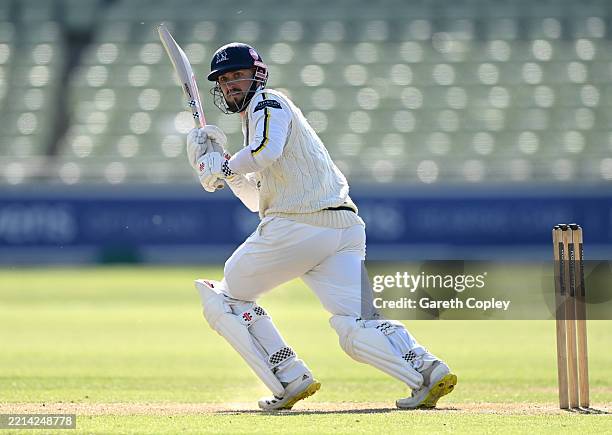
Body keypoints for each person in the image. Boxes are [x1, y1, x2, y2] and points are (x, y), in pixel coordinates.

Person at [186, 42, 456, 410]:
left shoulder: (268, 103)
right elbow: (256, 201)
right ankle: (426, 371)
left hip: (298, 226)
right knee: (355, 323)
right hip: (341, 229)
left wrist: (224, 165)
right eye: (224, 80)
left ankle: (290, 378)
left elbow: (265, 152)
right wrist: (221, 170)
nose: (231, 84)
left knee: (225, 298)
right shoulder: (260, 120)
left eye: (237, 76)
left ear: (257, 75)